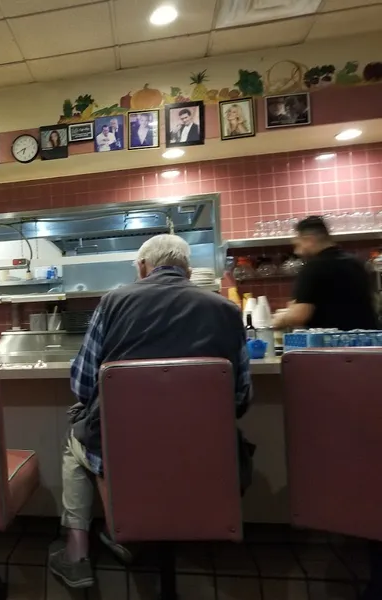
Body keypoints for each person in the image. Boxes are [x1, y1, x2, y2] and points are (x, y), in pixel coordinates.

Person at [49, 234, 253, 589]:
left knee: (77, 440)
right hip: (204, 452)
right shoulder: (227, 309)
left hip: (124, 447)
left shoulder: (113, 302)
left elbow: (81, 385)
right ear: (188, 269)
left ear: (142, 268)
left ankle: (80, 551)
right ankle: (130, 533)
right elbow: (241, 398)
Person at [273, 216, 377, 331]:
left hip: (333, 344)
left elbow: (299, 316)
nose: (296, 251)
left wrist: (280, 319)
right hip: (368, 342)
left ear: (309, 240)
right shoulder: (357, 263)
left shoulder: (313, 268)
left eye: (298, 244)